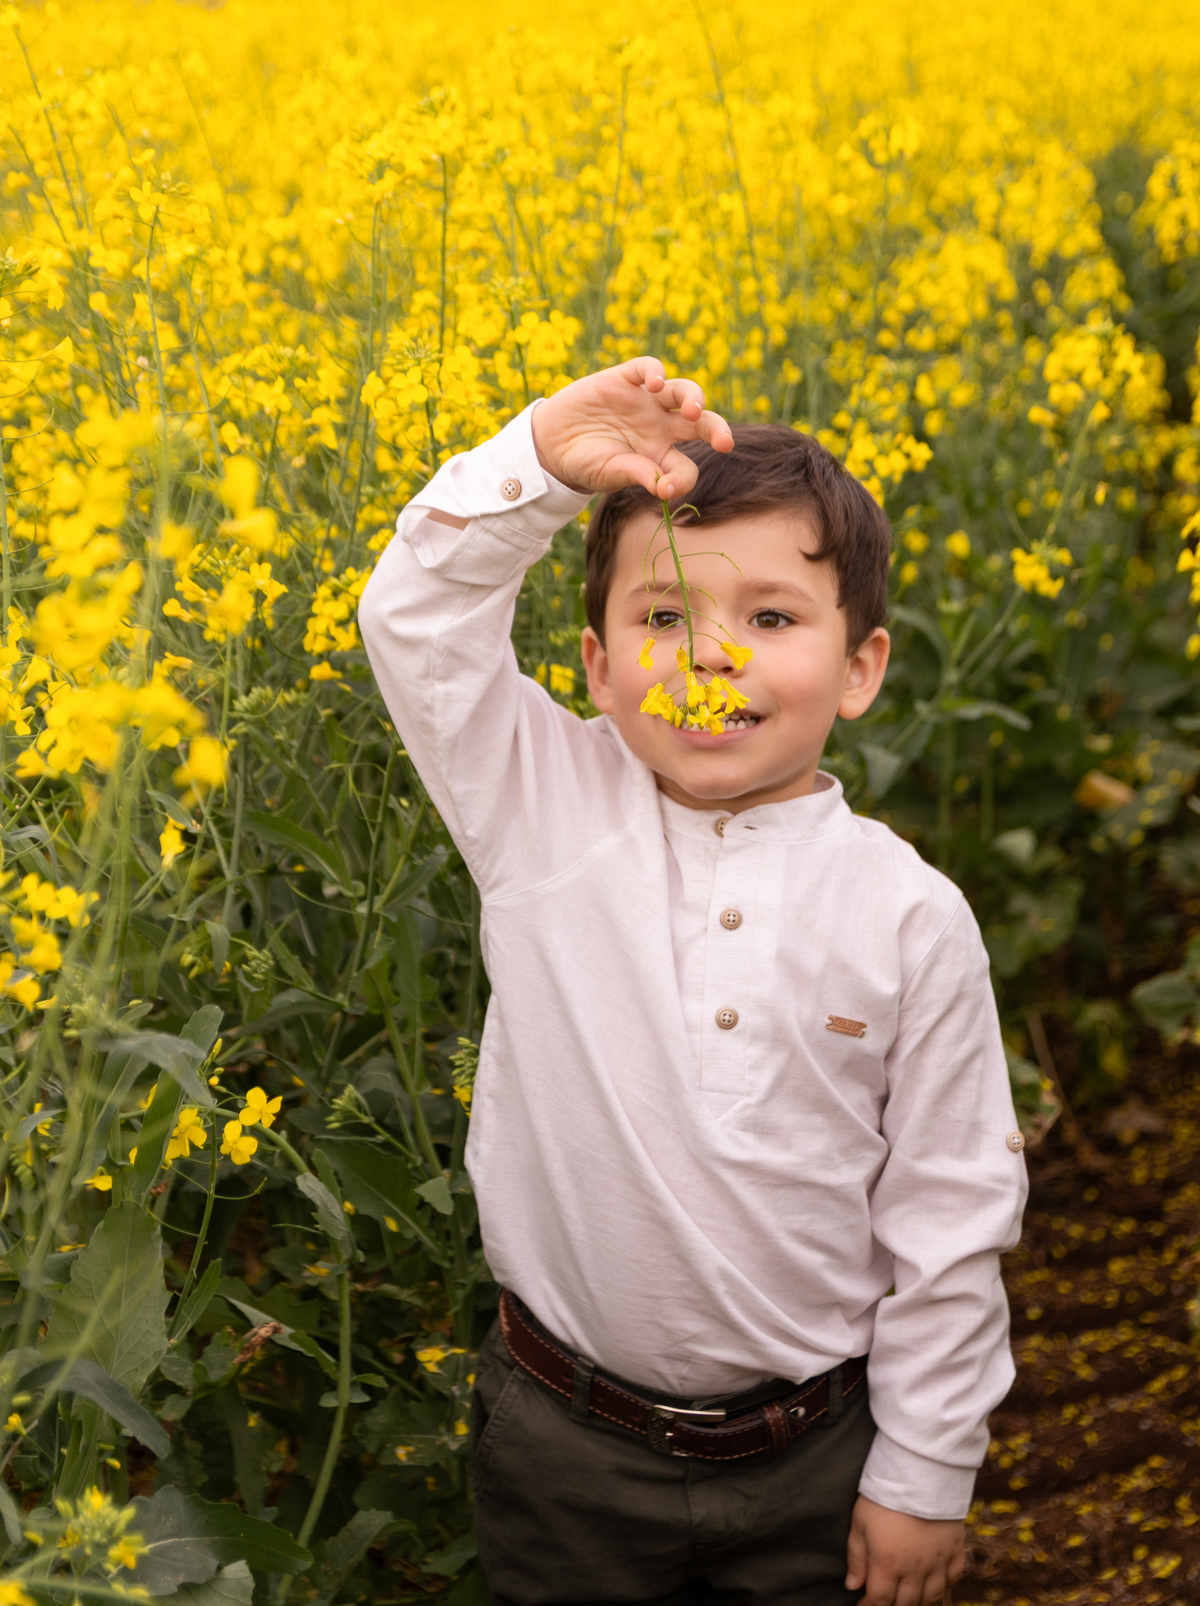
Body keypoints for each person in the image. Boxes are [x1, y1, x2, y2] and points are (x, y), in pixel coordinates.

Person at [358, 357, 1028, 1606]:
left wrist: (927, 1470)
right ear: (598, 666)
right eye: (664, 618)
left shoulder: (910, 915)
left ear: (862, 666)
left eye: (771, 620)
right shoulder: (539, 810)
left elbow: (950, 1214)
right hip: (567, 1446)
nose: (712, 657)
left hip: (817, 1455)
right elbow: (416, 619)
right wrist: (539, 463)